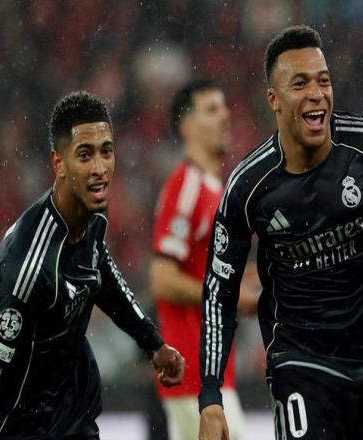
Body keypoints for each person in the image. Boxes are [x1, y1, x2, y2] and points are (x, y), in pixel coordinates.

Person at [198, 25, 363, 440]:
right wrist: (210, 396)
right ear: (273, 99)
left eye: (323, 81)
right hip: (299, 362)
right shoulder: (248, 187)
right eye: (300, 84)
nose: (316, 93)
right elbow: (218, 292)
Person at [0, 91, 185, 440]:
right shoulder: (26, 267)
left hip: (73, 416)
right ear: (58, 163)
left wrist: (153, 342)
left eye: (106, 151)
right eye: (84, 155)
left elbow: (101, 270)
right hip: (22, 428)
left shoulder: (92, 215)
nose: (99, 168)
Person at [149, 79, 256, 440]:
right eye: (211, 109)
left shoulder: (215, 189)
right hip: (192, 370)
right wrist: (228, 297)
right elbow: (162, 279)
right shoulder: (186, 186)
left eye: (224, 107)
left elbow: (207, 273)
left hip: (211, 373)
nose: (225, 116)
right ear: (186, 127)